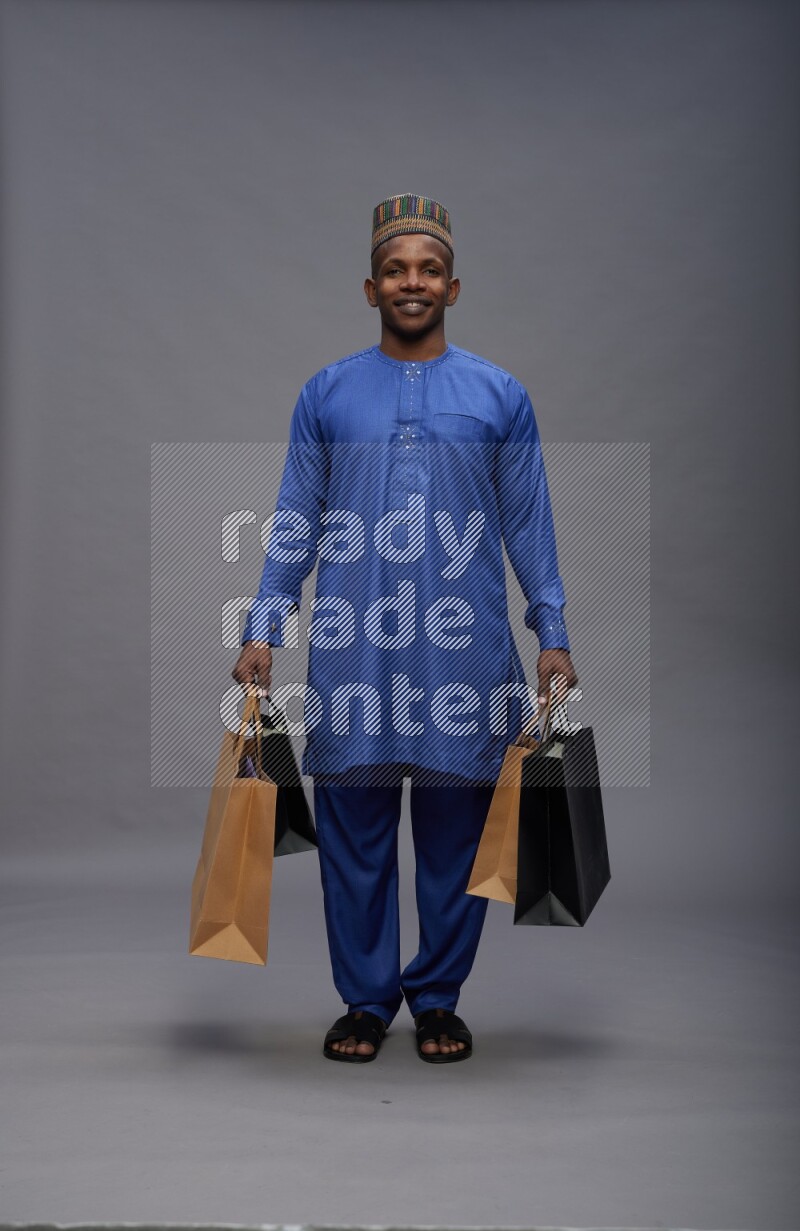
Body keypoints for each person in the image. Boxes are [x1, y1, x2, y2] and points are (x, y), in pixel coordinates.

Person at [232, 193, 577, 1063]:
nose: (411, 282)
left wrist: (553, 632)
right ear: (370, 286)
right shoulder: (328, 393)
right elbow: (293, 519)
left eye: (427, 269)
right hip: (356, 645)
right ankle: (363, 1001)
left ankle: (436, 998)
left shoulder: (500, 394)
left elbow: (529, 522)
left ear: (453, 287)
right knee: (355, 835)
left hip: (466, 652)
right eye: (396, 269)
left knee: (457, 837)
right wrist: (265, 623)